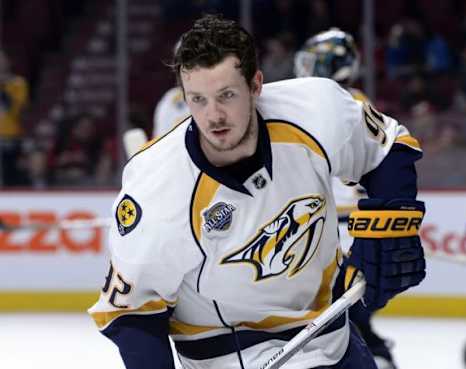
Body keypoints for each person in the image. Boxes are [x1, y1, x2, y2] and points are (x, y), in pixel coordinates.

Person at [89, 14, 426, 369]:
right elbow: (131, 316)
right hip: (229, 356)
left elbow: (387, 149)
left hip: (333, 340)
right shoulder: (154, 185)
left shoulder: (314, 109)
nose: (213, 115)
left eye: (227, 95)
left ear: (256, 85)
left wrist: (390, 227)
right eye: (198, 100)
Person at [294, 28, 400, 369]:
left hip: (337, 235)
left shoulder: (333, 105)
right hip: (342, 232)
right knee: (349, 324)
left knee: (345, 326)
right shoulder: (352, 102)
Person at [0, 49, 29, 186]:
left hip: (10, 137)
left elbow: (15, 109)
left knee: (10, 175)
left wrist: (3, 86)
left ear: (8, 62)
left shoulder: (18, 83)